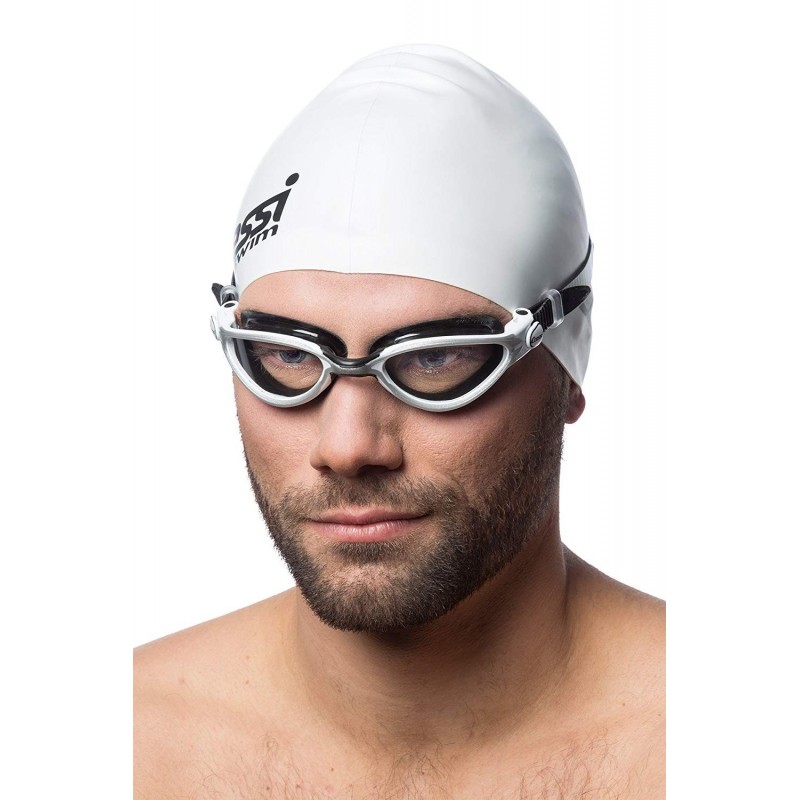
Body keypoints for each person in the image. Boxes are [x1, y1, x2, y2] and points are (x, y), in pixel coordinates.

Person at [134, 43, 665, 799]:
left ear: (566, 364)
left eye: (434, 359)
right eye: (287, 357)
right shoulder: (122, 748)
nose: (348, 446)